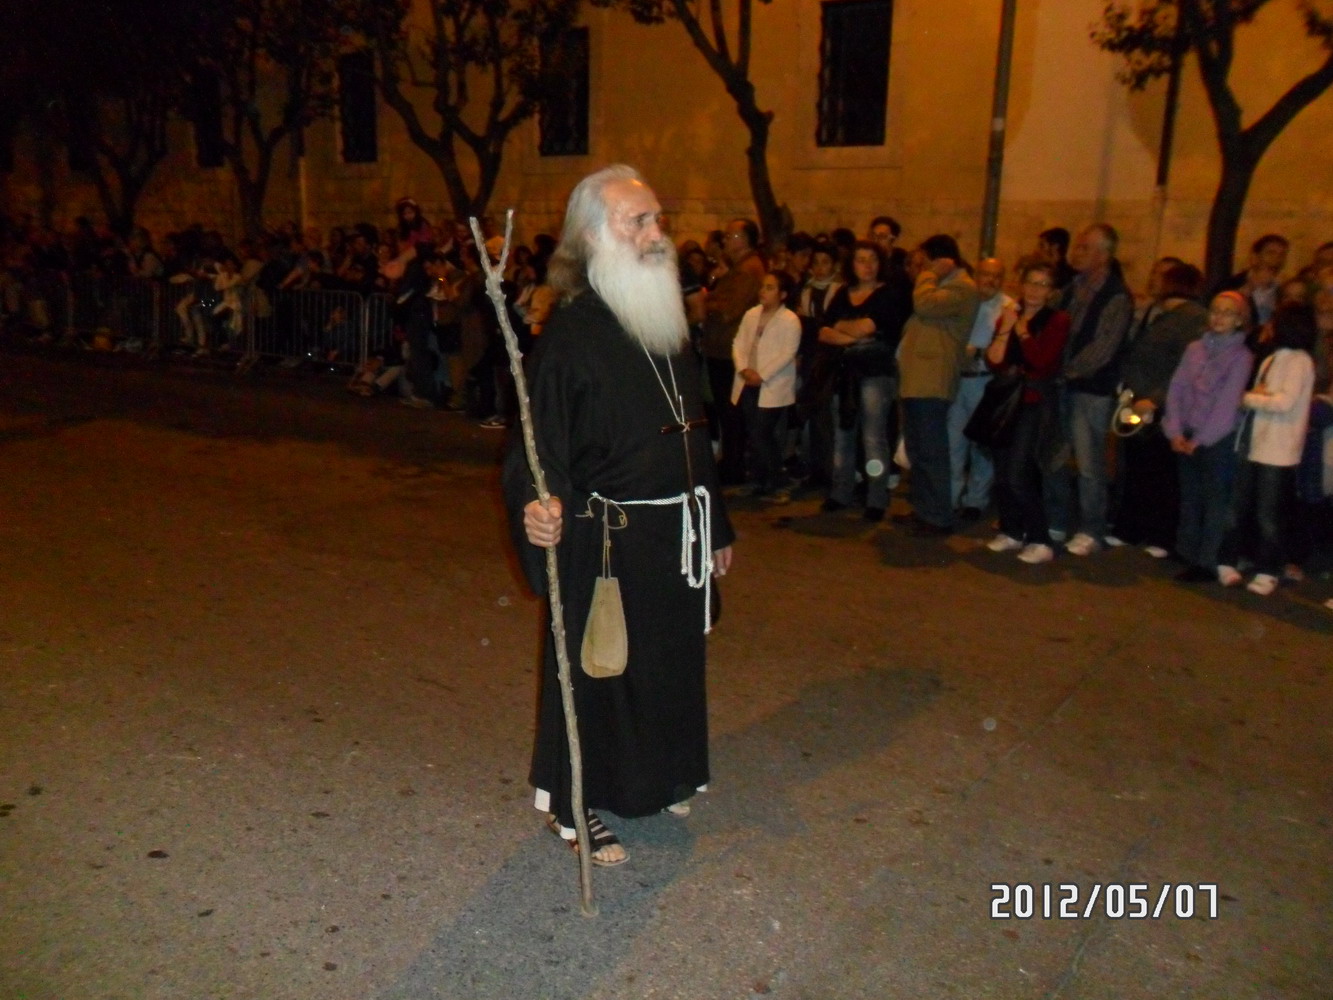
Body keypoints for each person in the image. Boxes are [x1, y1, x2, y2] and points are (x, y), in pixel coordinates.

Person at [504, 165, 735, 868]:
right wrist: (536, 504)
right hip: (604, 536)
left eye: (657, 218)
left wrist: (716, 524)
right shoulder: (571, 336)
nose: (657, 233)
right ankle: (574, 803)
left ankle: (656, 778)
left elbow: (694, 431)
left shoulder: (664, 318)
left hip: (676, 532)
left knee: (665, 665)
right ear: (593, 236)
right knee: (597, 672)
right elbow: (536, 446)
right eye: (639, 221)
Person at [1217, 303, 1317, 595]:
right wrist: (1256, 397)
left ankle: (1268, 569)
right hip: (1253, 441)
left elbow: (1284, 402)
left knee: (1268, 514)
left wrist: (1250, 398)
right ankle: (1228, 559)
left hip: (1278, 449)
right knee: (1237, 507)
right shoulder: (1272, 358)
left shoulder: (1300, 361)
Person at [1110, 262, 1208, 558]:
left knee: (1161, 472)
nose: (1153, 281)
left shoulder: (1191, 318)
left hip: (1161, 407)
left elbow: (1186, 368)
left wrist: (1155, 399)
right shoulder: (1162, 314)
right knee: (1139, 466)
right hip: (1139, 401)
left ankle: (1161, 535)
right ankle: (1132, 527)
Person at [1053, 223, 1134, 556]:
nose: (1077, 253)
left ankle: (1092, 528)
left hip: (1090, 389)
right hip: (1062, 384)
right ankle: (1056, 521)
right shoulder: (1071, 289)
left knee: (1089, 463)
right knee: (1056, 456)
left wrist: (1067, 371)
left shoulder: (1115, 296)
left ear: (1104, 255)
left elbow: (1103, 348)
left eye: (1085, 247)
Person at [1163, 291, 1255, 582]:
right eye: (1215, 310)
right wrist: (1175, 429)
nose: (1219, 317)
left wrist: (1200, 440)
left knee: (1214, 500)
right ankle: (1186, 549)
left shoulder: (1241, 357)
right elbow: (1177, 388)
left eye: (1228, 313)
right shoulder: (1195, 349)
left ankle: (1207, 560)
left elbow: (1227, 404)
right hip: (1188, 431)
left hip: (1217, 438)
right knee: (1190, 495)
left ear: (1239, 320)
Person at [818, 241, 912, 520]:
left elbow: (865, 327)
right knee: (843, 434)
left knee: (873, 437)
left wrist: (843, 329)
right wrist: (853, 336)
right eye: (861, 260)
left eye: (872, 259)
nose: (867, 265)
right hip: (844, 371)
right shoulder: (842, 293)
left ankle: (876, 498)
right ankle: (840, 492)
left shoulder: (889, 295)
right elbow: (823, 331)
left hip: (876, 372)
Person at [984, 262, 1072, 563]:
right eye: (1031, 282)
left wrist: (1022, 331)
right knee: (1001, 471)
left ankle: (1040, 538)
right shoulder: (1009, 315)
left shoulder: (1057, 320)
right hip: (1006, 400)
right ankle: (1011, 530)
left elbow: (1042, 361)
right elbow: (994, 360)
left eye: (1042, 284)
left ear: (1051, 291)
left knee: (1019, 473)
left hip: (1033, 402)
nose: (1035, 290)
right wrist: (1007, 327)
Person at [895, 234, 980, 535]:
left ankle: (938, 517)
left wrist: (929, 275)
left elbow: (925, 305)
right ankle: (924, 509)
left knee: (931, 451)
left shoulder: (962, 287)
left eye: (926, 262)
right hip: (918, 379)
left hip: (932, 380)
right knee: (918, 449)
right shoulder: (942, 286)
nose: (922, 270)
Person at [701, 218, 766, 484]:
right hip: (722, 348)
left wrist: (707, 299)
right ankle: (731, 462)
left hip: (729, 350)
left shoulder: (747, 271)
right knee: (728, 412)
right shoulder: (737, 269)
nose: (725, 241)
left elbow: (729, 309)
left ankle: (733, 466)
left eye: (730, 236)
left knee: (731, 412)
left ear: (744, 240)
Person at [947, 257, 1012, 519]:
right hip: (958, 379)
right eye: (986, 274)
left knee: (981, 444)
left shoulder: (1007, 308)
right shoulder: (963, 301)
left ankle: (976, 500)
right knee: (953, 441)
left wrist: (979, 353)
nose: (991, 281)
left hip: (986, 380)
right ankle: (951, 497)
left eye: (997, 276)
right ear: (976, 276)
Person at [731, 270, 802, 501]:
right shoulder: (751, 314)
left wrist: (762, 375)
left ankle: (778, 482)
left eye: (770, 288)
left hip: (772, 385)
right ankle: (758, 480)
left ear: (783, 294)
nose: (763, 291)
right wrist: (743, 368)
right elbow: (739, 343)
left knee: (762, 433)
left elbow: (787, 353)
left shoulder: (790, 320)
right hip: (748, 381)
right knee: (754, 433)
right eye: (763, 286)